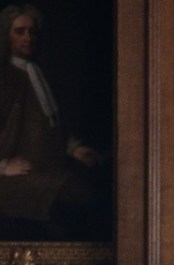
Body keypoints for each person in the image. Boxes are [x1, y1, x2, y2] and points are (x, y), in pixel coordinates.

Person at [0, 3, 104, 241]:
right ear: (6, 35)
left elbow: (52, 124)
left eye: (32, 31)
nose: (28, 38)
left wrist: (74, 149)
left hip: (49, 168)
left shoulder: (39, 73)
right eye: (19, 31)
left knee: (94, 183)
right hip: (13, 177)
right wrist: (4, 167)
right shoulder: (3, 77)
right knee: (78, 194)